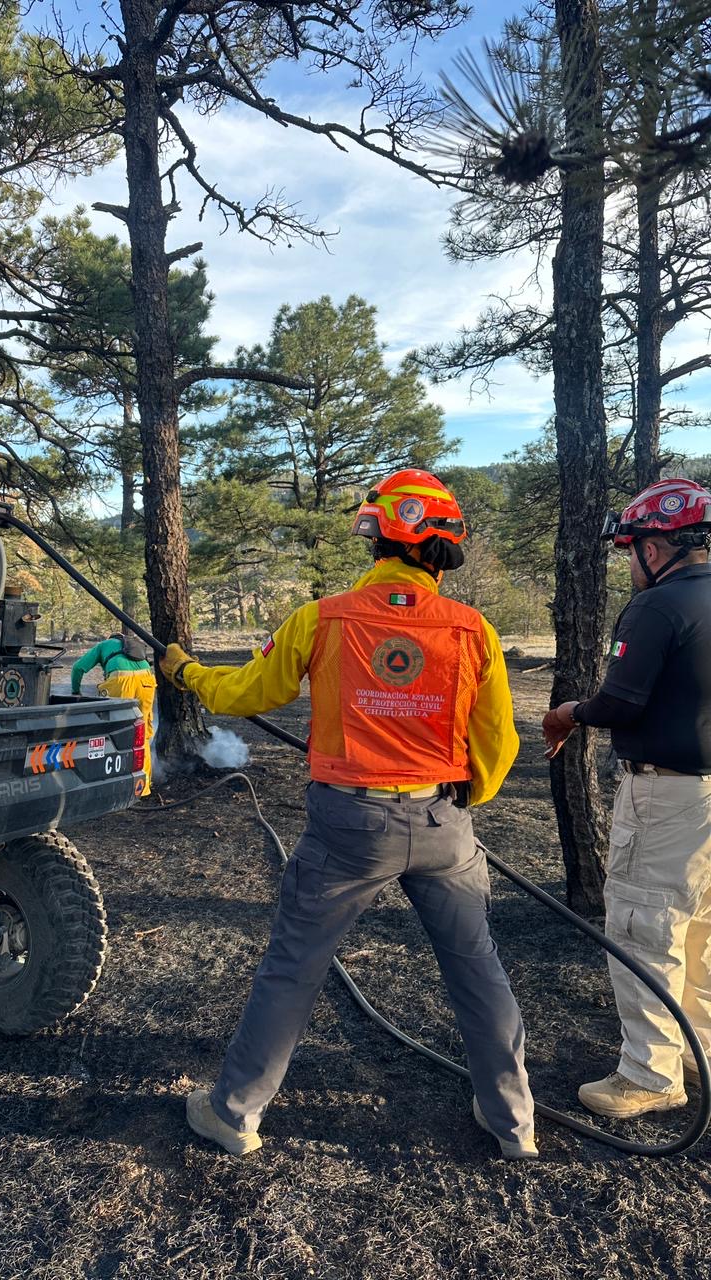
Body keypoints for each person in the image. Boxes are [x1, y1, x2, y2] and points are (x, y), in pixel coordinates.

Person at [160, 469, 536, 1160]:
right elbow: (500, 741)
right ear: (440, 551)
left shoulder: (323, 617)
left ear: (377, 541)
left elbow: (248, 691)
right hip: (441, 824)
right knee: (477, 968)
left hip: (347, 827)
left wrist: (185, 671)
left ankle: (235, 1115)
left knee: (293, 967)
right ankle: (514, 1123)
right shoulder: (473, 630)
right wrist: (466, 798)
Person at [543, 477, 711, 1119]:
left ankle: (649, 1074)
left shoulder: (657, 609)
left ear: (660, 543)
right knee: (701, 931)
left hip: (667, 796)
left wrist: (568, 713)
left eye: (632, 547)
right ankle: (696, 1053)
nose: (631, 562)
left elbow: (619, 704)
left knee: (645, 927)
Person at [71, 631, 155, 796]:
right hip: (147, 679)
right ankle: (143, 787)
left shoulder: (103, 645)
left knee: (114, 729)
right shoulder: (133, 644)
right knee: (142, 730)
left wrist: (76, 692)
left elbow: (78, 668)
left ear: (110, 639)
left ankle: (114, 783)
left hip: (120, 680)